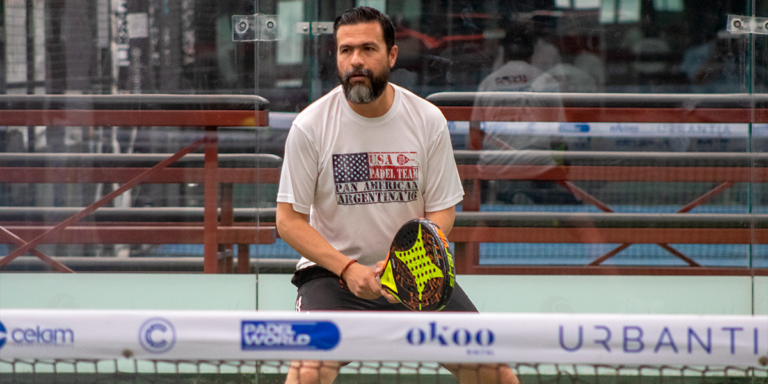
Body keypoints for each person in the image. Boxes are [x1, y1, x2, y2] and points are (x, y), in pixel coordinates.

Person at [276, 6, 519, 384]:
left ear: (391, 55)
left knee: (495, 372)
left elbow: (442, 211)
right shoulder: (310, 126)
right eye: (346, 50)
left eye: (368, 49)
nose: (356, 60)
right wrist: (348, 268)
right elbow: (288, 220)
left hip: (417, 274)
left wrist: (405, 264)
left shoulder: (427, 120)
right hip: (333, 278)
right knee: (308, 371)